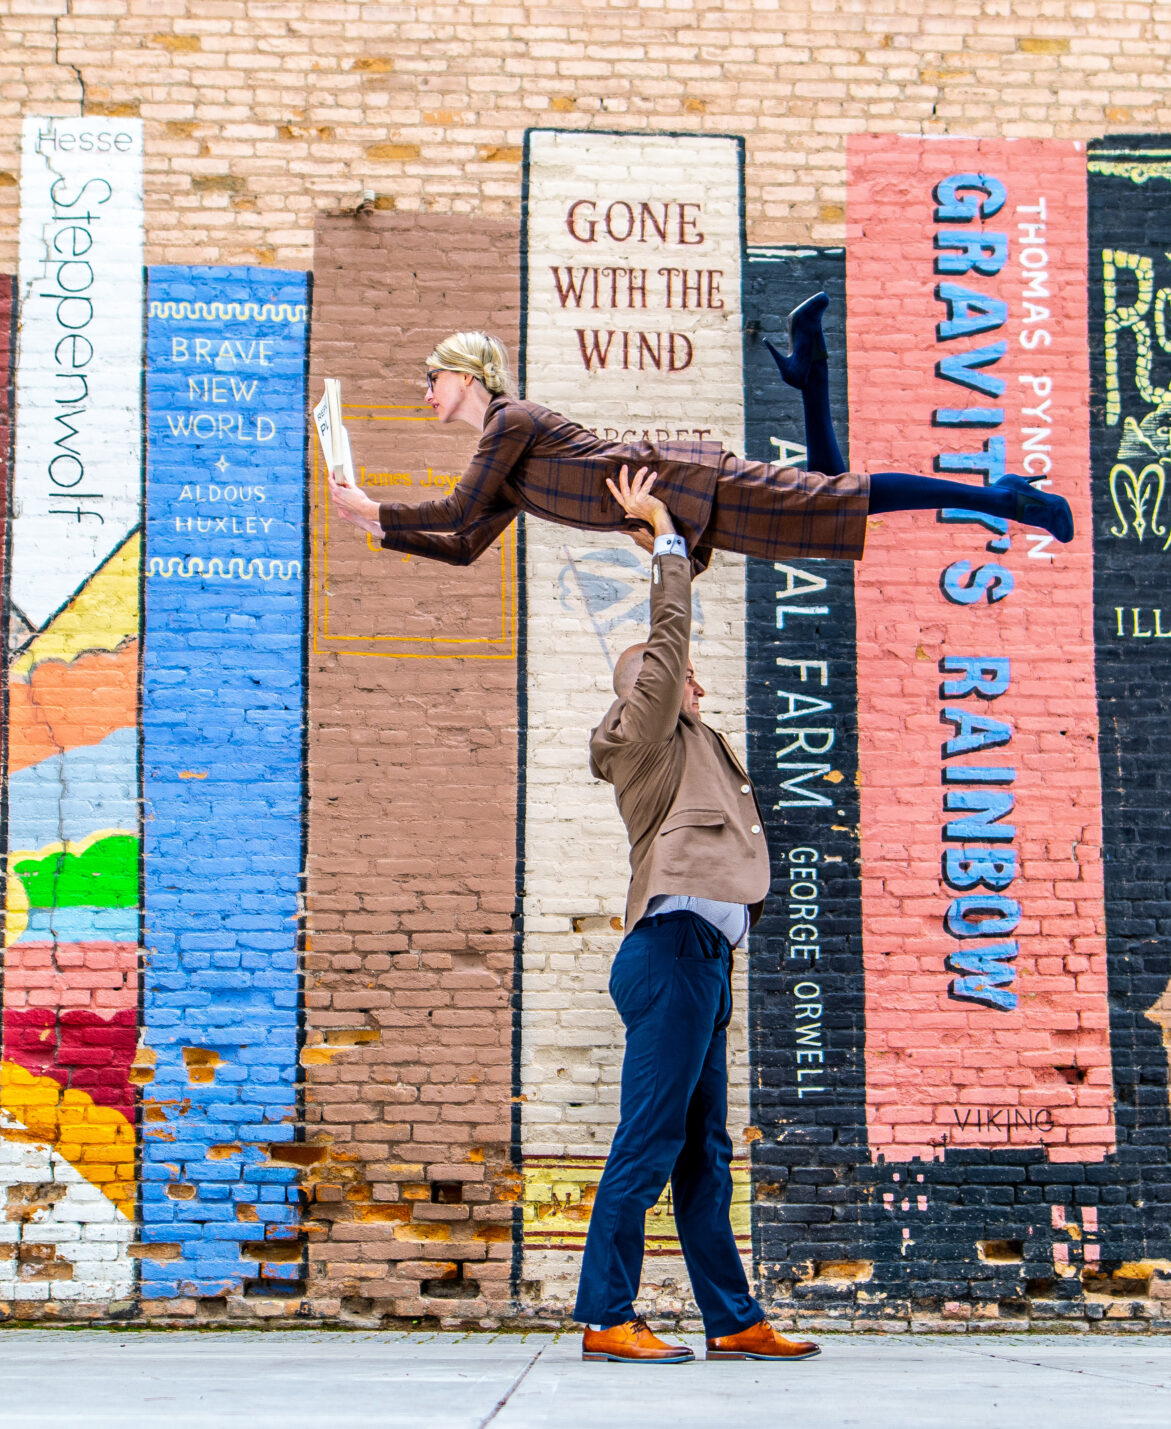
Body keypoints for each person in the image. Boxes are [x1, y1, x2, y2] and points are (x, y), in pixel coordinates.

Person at [573, 465, 821, 1366]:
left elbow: (680, 643)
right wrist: (666, 540)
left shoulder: (691, 741)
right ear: (648, 687)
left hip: (705, 958)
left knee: (702, 1153)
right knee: (649, 1140)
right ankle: (605, 1314)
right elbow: (668, 639)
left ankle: (731, 1318)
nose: (694, 682)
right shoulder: (643, 735)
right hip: (671, 949)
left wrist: (683, 553)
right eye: (674, 676)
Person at [325, 302, 1073, 570]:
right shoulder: (512, 465)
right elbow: (464, 544)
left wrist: (375, 507)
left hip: (688, 484)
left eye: (432, 378)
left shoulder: (510, 421)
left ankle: (998, 497)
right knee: (825, 507)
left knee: (834, 501)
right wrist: (375, 527)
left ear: (468, 375)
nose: (427, 394)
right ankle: (809, 374)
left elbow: (458, 510)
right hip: (685, 508)